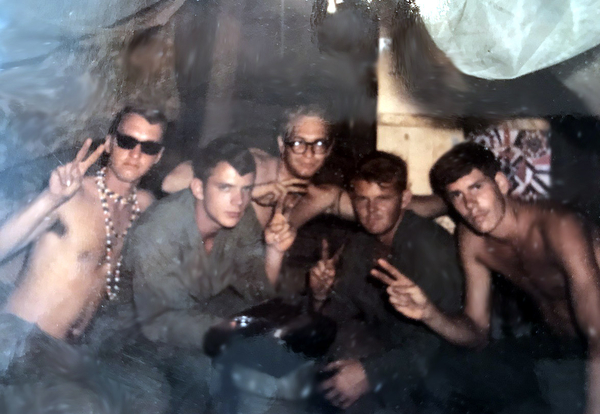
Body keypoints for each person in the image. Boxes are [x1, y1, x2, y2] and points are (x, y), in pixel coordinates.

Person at [375, 142, 600, 414]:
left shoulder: (558, 228)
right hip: (555, 349)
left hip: (592, 355)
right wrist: (429, 314)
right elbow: (477, 333)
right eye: (456, 195)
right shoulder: (472, 240)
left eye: (476, 187)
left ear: (501, 184)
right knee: (441, 378)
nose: (470, 204)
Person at [0, 106, 168, 413]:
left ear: (158, 156)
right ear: (109, 143)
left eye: (149, 147)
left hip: (68, 352)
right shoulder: (73, 195)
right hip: (19, 341)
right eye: (127, 141)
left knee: (150, 395)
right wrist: (50, 199)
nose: (135, 154)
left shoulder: (143, 206)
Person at [125, 137, 295, 413]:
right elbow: (158, 322)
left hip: (195, 322)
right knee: (214, 377)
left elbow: (258, 293)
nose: (238, 201)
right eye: (225, 187)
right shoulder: (159, 228)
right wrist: (230, 333)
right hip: (132, 336)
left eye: (246, 189)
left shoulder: (240, 217)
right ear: (198, 188)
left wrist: (274, 252)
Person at [308, 151, 463, 413]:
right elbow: (340, 314)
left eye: (383, 199)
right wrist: (320, 295)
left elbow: (440, 342)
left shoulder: (430, 248)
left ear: (404, 199)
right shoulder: (361, 242)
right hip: (393, 352)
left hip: (442, 370)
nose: (372, 210)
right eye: (362, 199)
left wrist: (370, 373)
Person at [161, 106, 445, 229]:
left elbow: (394, 206)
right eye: (298, 143)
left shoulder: (320, 197)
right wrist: (250, 190)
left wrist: (454, 202)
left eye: (319, 144)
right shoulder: (252, 165)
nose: (309, 154)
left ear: (330, 149)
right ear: (282, 145)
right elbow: (171, 182)